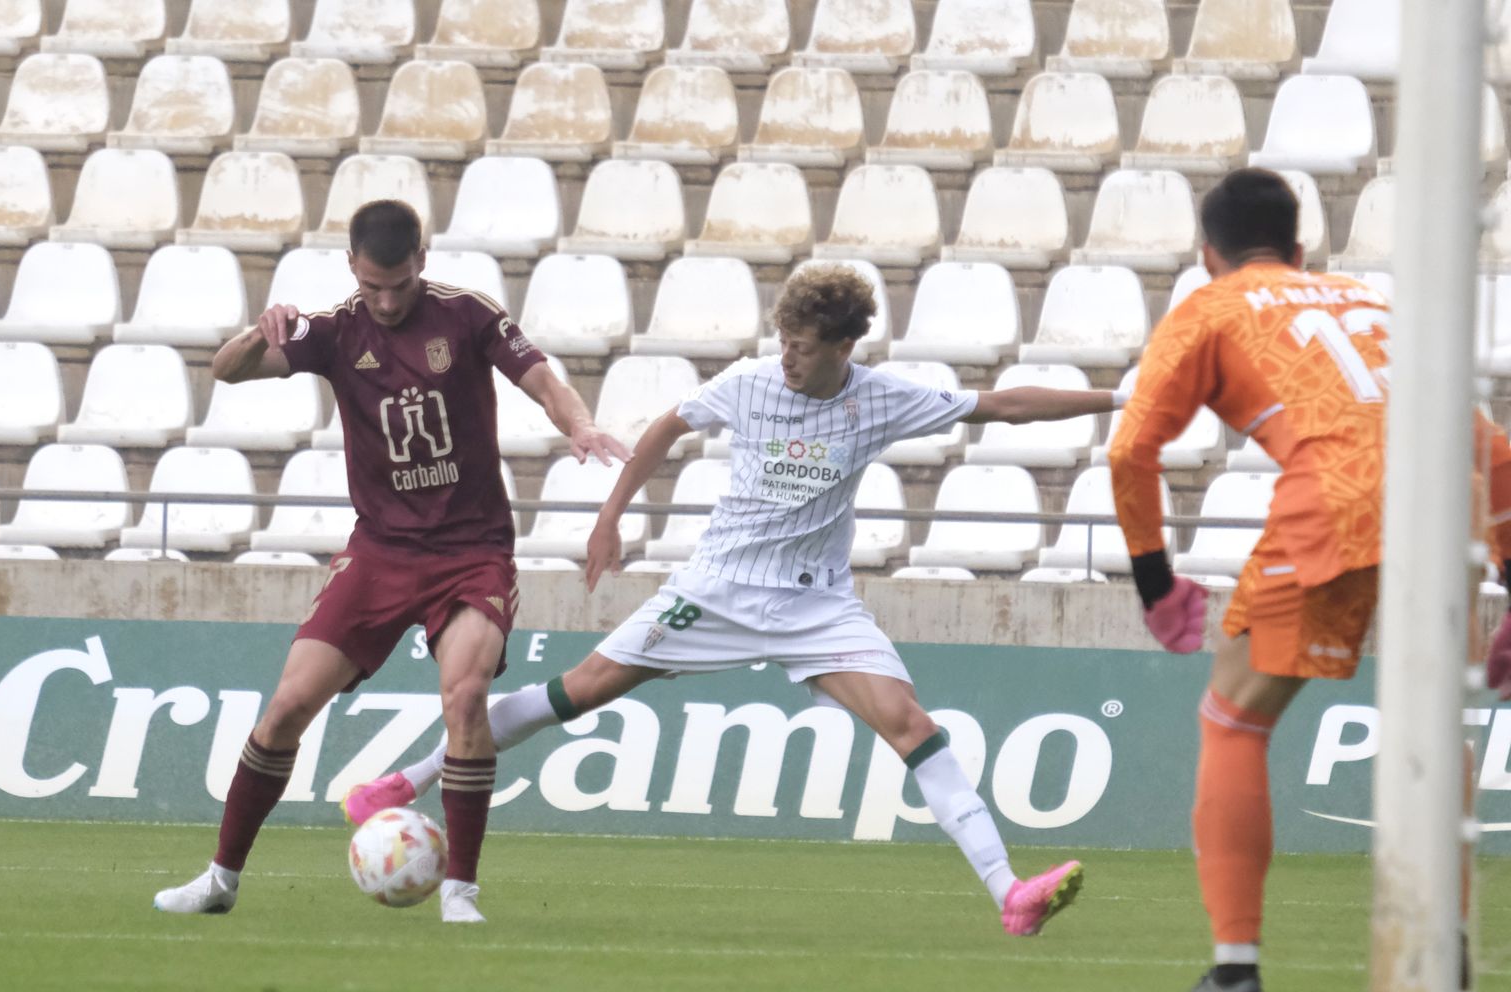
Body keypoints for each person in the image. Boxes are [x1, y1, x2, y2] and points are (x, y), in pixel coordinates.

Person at [345, 263, 1124, 936]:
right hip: (715, 590)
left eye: (804, 347)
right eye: (783, 339)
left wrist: (1120, 399)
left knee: (912, 725)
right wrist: (611, 518)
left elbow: (1004, 405)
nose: (787, 357)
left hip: (815, 608)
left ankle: (1010, 895)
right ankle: (403, 783)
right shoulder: (751, 381)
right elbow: (666, 428)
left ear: (844, 348)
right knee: (574, 693)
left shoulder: (880, 398)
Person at [1104, 167, 1511, 992]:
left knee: (1234, 717)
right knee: (1431, 725)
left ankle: (1235, 973)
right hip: (1452, 504)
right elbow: (1492, 448)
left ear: (1208, 254)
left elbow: (1130, 450)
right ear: (1299, 249)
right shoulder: (1374, 304)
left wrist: (1155, 579)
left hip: (1339, 498)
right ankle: (1443, 948)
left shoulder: (1212, 307)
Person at [154, 200, 628, 923]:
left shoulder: (466, 316)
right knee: (286, 708)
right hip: (379, 549)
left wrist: (581, 423)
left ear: (422, 261)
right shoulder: (337, 331)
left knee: (465, 697)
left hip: (472, 550)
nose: (386, 299)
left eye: (399, 284)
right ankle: (220, 878)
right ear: (352, 268)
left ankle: (460, 891)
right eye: (373, 285)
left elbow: (541, 381)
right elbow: (228, 372)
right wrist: (261, 330)